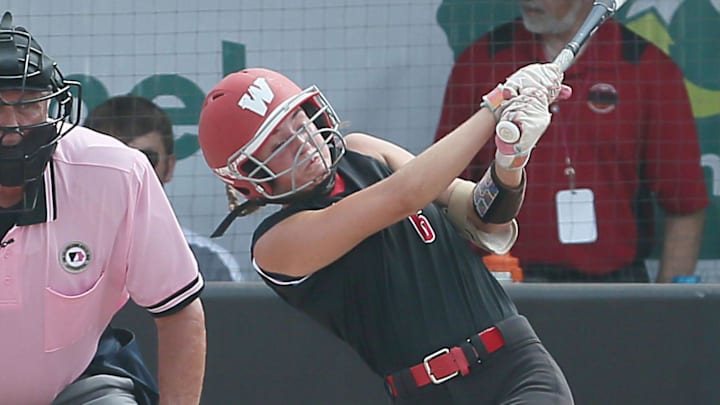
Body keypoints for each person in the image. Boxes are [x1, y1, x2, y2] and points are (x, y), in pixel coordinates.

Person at [197, 63, 574, 404]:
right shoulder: (275, 244)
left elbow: (481, 214)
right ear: (250, 174)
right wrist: (498, 103)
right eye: (278, 144)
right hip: (425, 393)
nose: (304, 142)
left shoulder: (365, 152)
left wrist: (510, 158)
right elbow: (403, 196)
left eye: (300, 123)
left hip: (514, 366)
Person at [0, 11, 206, 404]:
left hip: (78, 386)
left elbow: (180, 312)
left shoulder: (116, 172)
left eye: (28, 103)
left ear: (53, 106)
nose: (12, 128)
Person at [435, 0, 709, 283]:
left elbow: (685, 205)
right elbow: (439, 187)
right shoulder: (482, 61)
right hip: (498, 283)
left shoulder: (647, 67)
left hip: (613, 290)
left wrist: (663, 312)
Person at [84, 95, 249, 282]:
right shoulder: (52, 249)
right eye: (113, 161)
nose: (130, 175)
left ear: (169, 167)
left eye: (146, 160)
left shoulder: (208, 264)